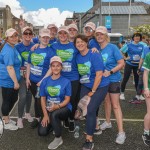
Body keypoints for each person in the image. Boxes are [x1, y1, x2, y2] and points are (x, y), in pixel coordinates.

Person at [75, 34, 109, 150]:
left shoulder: (94, 54)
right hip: (86, 85)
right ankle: (94, 125)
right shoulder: (77, 56)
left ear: (86, 42)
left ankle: (89, 140)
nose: (80, 44)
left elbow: (99, 75)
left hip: (100, 86)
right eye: (77, 42)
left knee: (90, 109)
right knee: (84, 107)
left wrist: (93, 91)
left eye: (82, 41)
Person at [95, 26, 126, 144]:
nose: (99, 36)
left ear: (106, 36)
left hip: (113, 80)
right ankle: (108, 122)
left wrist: (110, 71)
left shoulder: (112, 47)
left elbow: (121, 63)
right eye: (97, 34)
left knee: (116, 105)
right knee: (106, 102)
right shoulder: (97, 49)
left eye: (101, 34)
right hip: (103, 81)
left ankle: (121, 132)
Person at [50, 26, 80, 132]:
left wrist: (94, 49)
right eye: (61, 33)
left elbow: (85, 49)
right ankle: (63, 118)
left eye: (65, 33)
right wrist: (35, 45)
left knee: (72, 100)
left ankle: (71, 119)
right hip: (59, 78)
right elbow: (43, 46)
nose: (63, 35)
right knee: (61, 99)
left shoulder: (74, 45)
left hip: (73, 78)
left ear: (68, 35)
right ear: (58, 35)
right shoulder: (53, 46)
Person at [38, 56, 72, 150]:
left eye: (58, 66)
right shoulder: (45, 81)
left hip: (63, 108)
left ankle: (58, 138)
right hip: (50, 108)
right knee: (42, 132)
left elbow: (67, 100)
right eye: (53, 66)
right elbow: (43, 98)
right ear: (51, 67)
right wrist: (45, 115)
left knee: (54, 114)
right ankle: (55, 123)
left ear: (61, 67)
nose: (56, 68)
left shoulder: (66, 81)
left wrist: (57, 107)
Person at [26, 28, 54, 129]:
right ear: (39, 38)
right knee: (36, 99)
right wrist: (27, 78)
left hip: (43, 81)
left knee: (41, 100)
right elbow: (29, 64)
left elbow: (52, 67)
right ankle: (37, 118)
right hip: (32, 80)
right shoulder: (34, 49)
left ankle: (45, 118)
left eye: (47, 37)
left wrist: (43, 80)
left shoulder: (51, 51)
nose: (45, 39)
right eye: (43, 37)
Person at [0, 28, 21, 130]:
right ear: (7, 38)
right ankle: (6, 121)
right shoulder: (8, 50)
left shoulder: (12, 47)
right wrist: (15, 82)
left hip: (11, 79)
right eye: (11, 36)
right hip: (8, 80)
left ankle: (6, 117)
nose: (14, 38)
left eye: (15, 36)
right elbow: (10, 67)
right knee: (7, 100)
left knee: (13, 99)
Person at [15, 26, 35, 128]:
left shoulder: (35, 45)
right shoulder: (17, 47)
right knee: (22, 96)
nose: (27, 35)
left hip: (31, 74)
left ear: (32, 35)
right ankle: (19, 118)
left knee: (29, 95)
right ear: (22, 35)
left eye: (29, 33)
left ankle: (27, 113)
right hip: (21, 74)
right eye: (25, 33)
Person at [120, 32, 145, 100]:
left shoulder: (142, 46)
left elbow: (143, 55)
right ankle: (122, 93)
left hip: (137, 65)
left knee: (138, 80)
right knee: (125, 78)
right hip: (129, 64)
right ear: (133, 38)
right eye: (135, 36)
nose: (137, 37)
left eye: (138, 36)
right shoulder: (129, 45)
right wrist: (125, 58)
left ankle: (138, 94)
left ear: (140, 38)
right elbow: (121, 51)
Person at [142, 51, 150, 147]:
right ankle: (146, 133)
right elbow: (145, 73)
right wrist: (146, 88)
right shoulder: (149, 55)